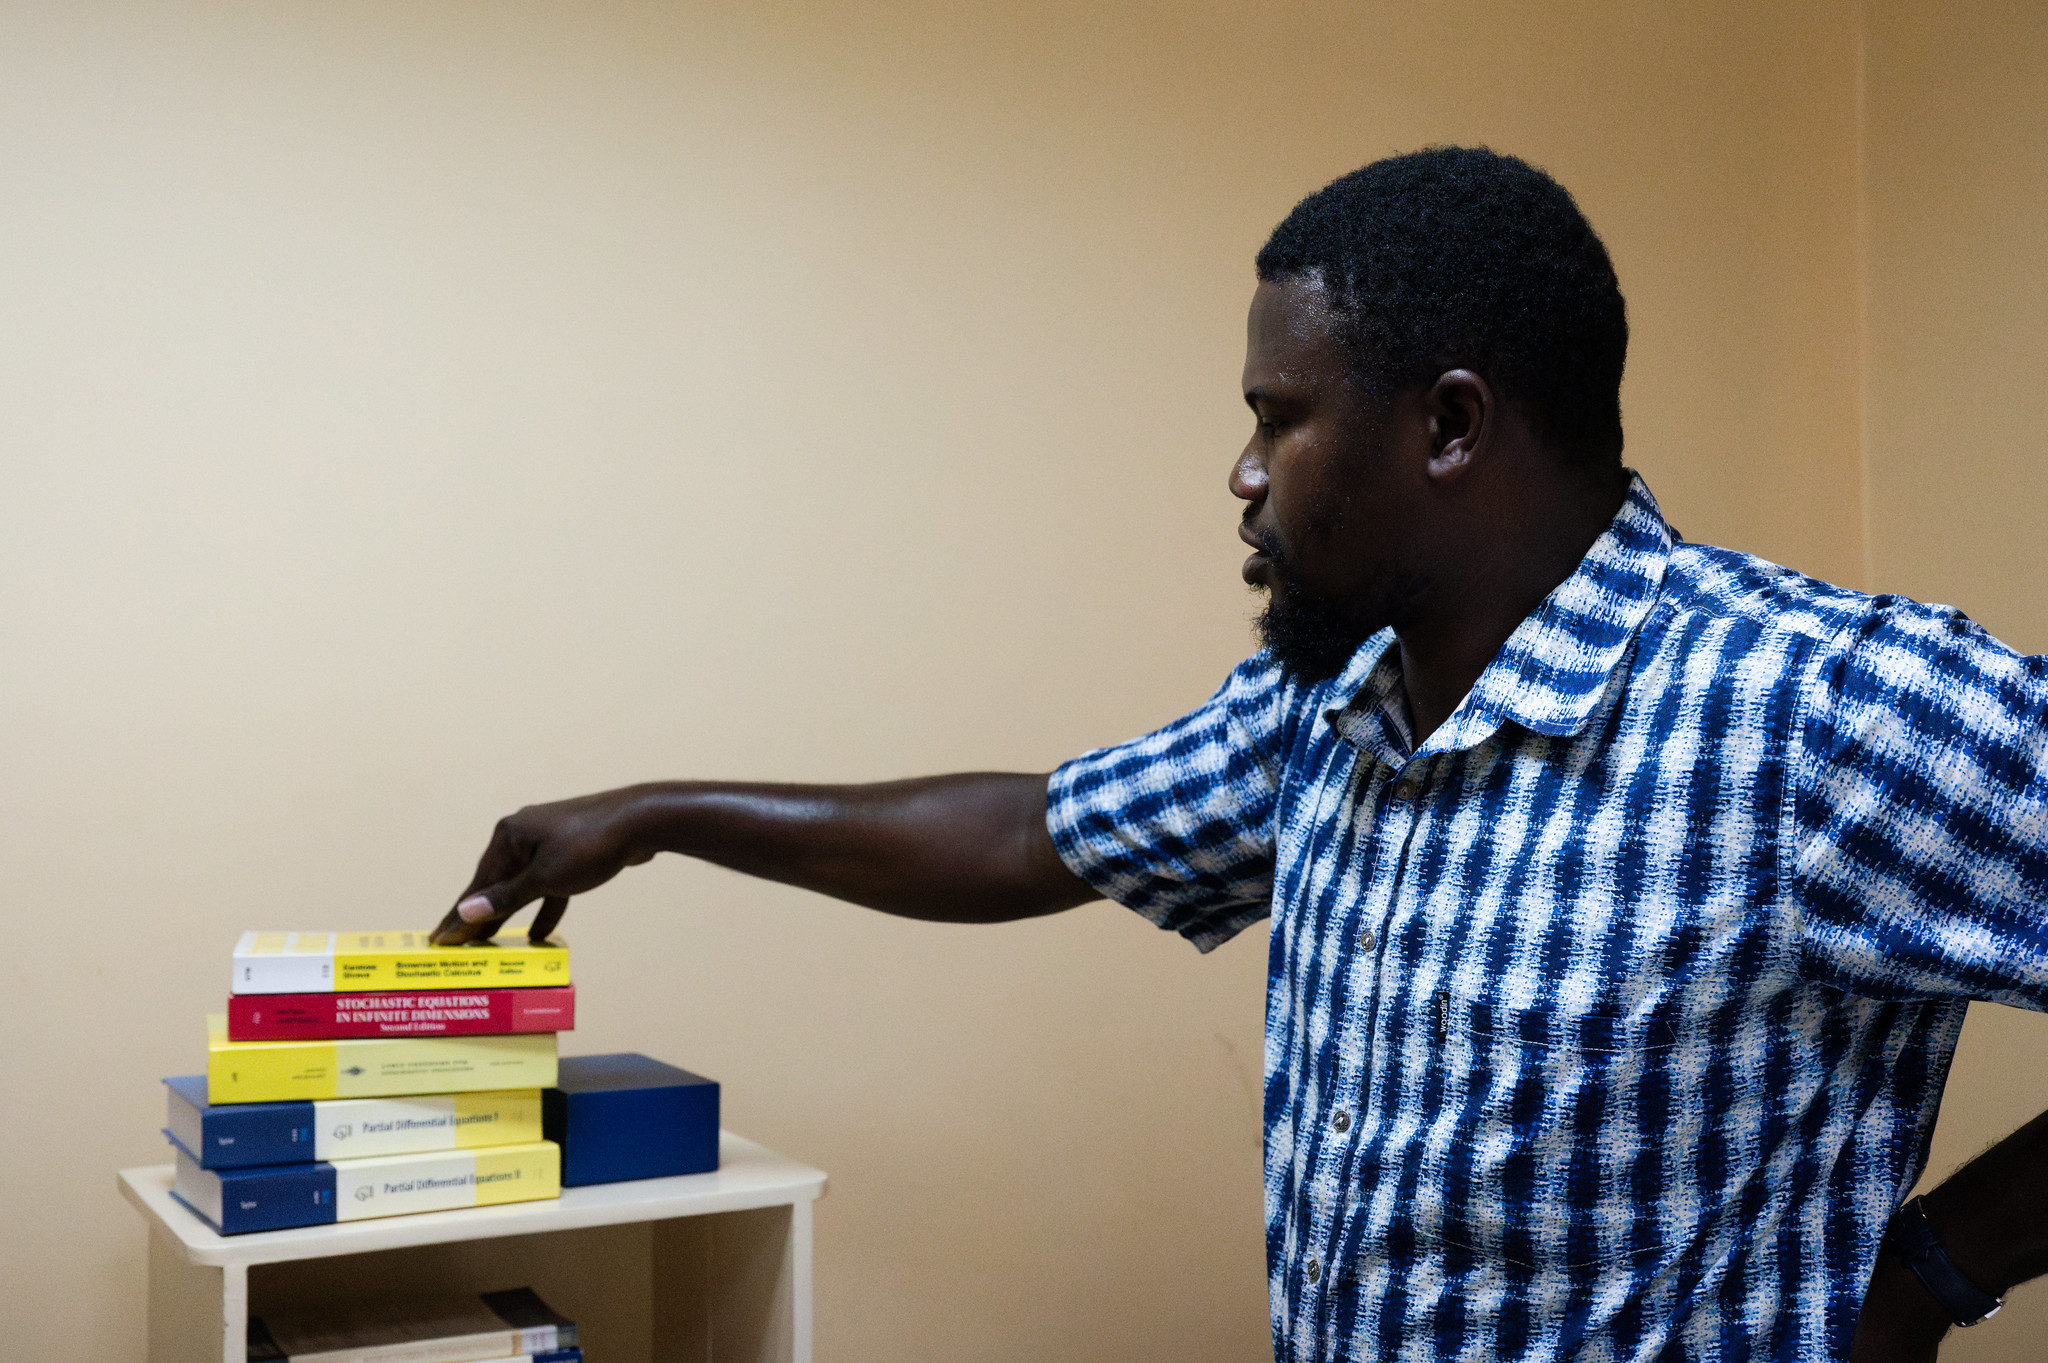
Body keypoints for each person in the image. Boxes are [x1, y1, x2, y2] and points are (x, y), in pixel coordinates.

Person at [428, 147, 2048, 1363]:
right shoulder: (1333, 704)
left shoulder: (1813, 709)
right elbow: (1031, 834)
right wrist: (655, 815)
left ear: (1453, 425)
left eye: (1280, 417)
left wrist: (1931, 1279)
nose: (1242, 473)